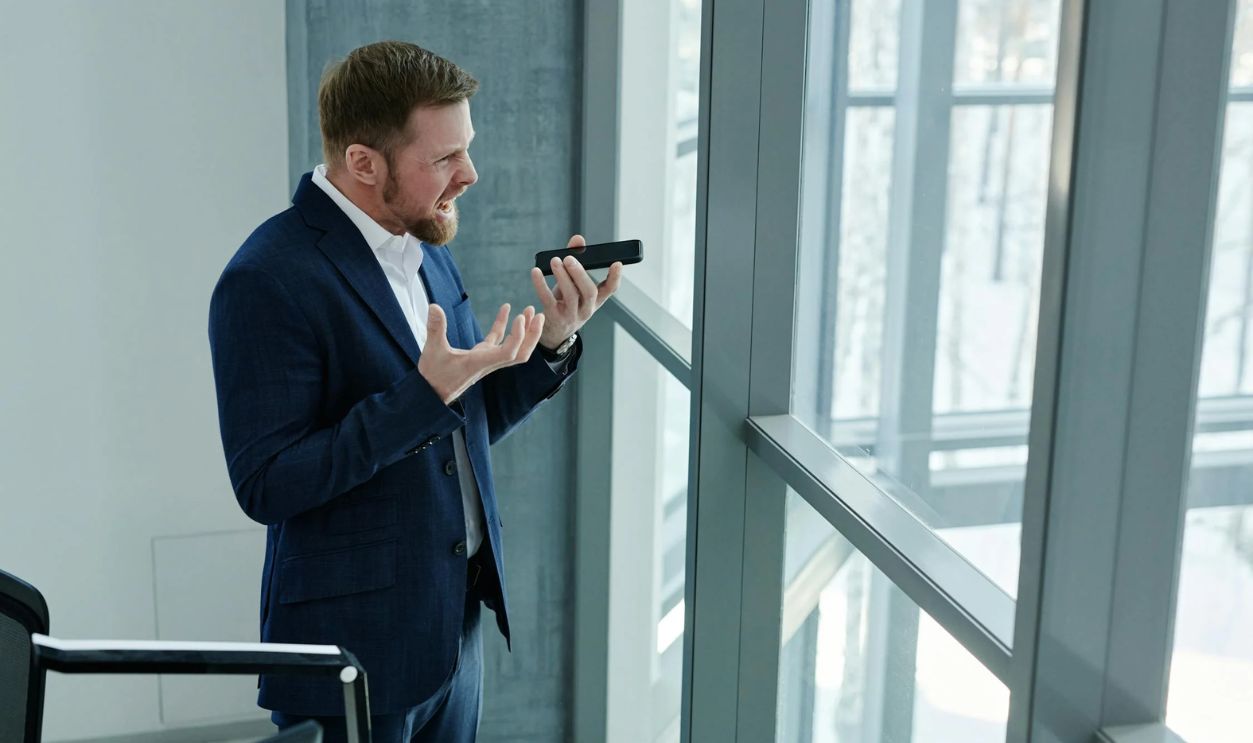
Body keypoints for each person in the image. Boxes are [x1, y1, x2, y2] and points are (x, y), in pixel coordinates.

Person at [207, 40, 621, 742]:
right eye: (443, 158)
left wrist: (552, 342)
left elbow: (455, 424)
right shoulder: (265, 279)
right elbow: (267, 482)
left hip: (451, 631)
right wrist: (420, 397)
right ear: (364, 162)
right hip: (354, 649)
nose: (470, 174)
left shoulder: (425, 244)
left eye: (467, 148)